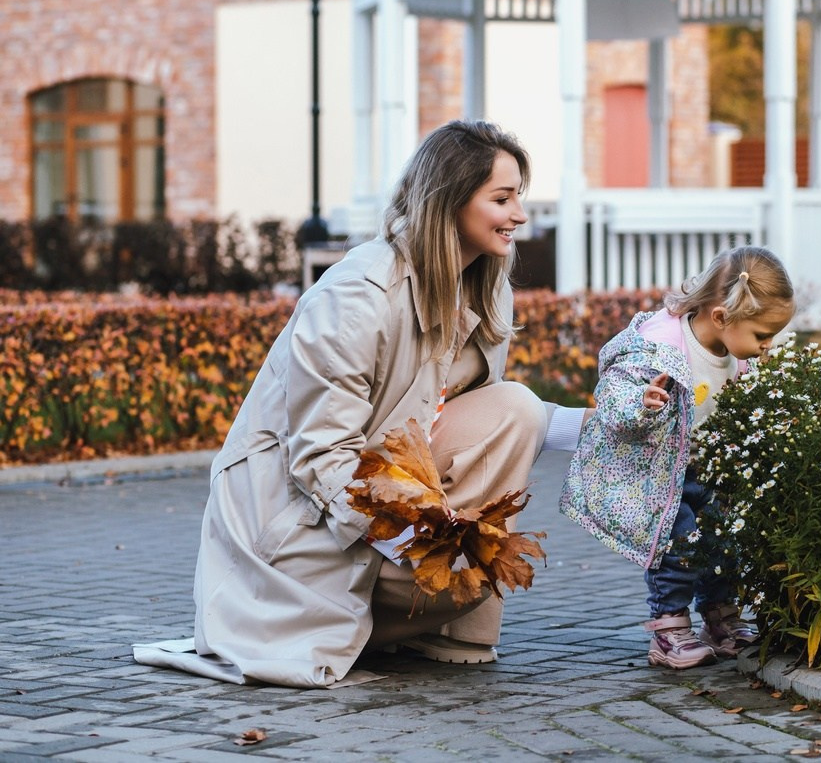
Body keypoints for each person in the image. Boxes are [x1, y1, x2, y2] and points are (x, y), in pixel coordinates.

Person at [133, 120, 587, 688]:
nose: (521, 214)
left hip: (387, 482)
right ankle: (402, 605)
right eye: (502, 198)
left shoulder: (486, 284)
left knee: (515, 408)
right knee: (475, 498)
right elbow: (321, 459)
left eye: (520, 195)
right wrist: (425, 542)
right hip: (296, 518)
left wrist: (603, 426)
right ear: (448, 201)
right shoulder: (357, 296)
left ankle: (442, 625)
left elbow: (466, 413)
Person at [561, 246, 795, 669]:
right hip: (658, 473)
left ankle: (719, 618)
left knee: (725, 540)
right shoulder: (658, 348)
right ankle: (669, 629)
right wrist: (642, 403)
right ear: (722, 317)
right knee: (680, 544)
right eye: (762, 335)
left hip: (710, 470)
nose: (767, 347)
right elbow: (613, 397)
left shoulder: (736, 356)